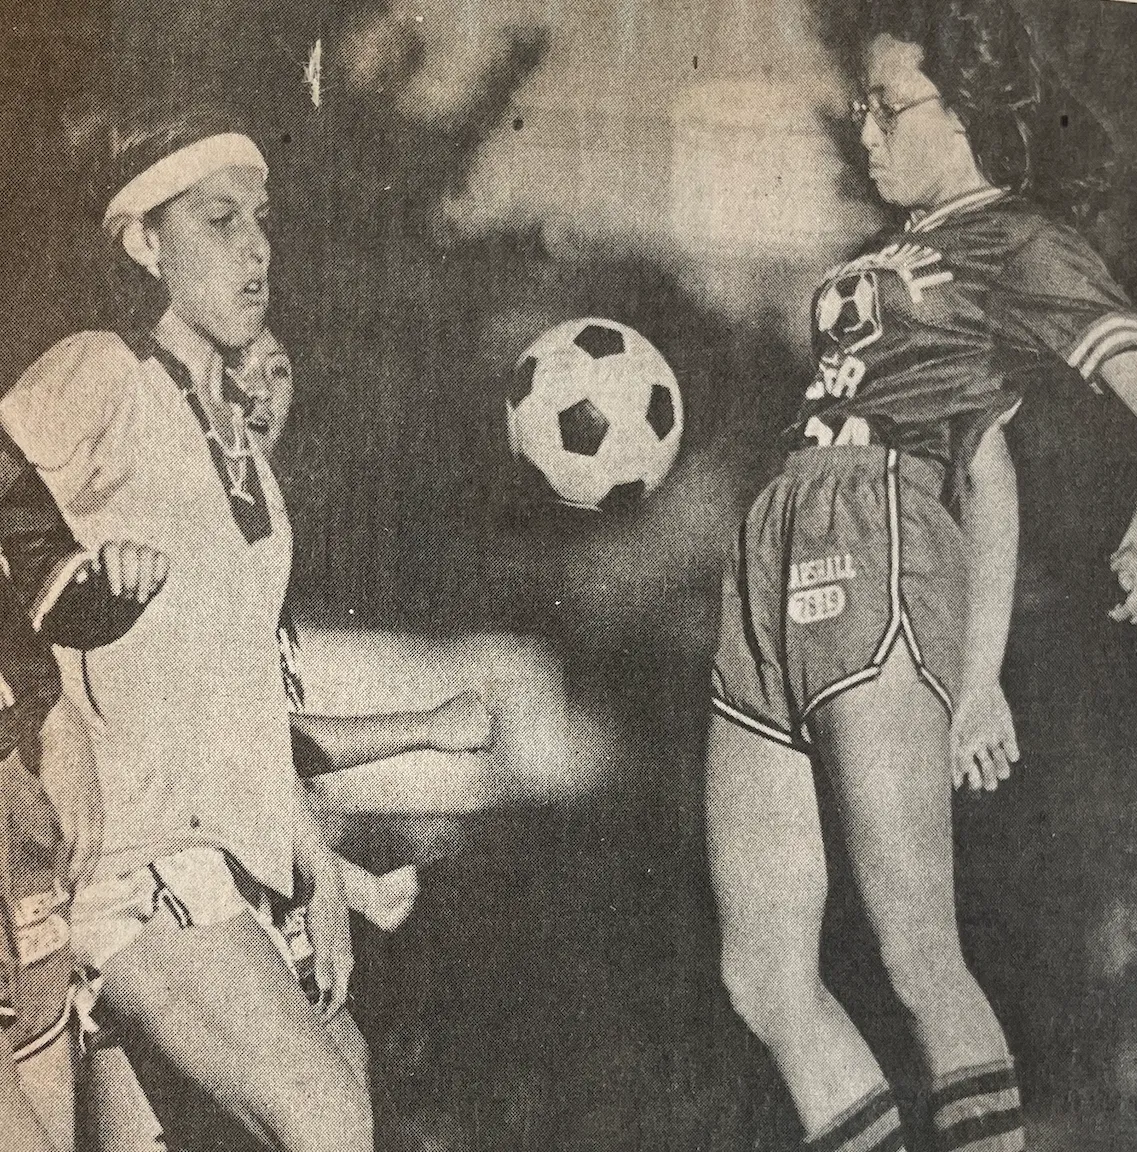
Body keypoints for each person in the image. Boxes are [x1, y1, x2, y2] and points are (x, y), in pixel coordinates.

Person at [708, 2, 1137, 1151]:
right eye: (861, 107)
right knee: (762, 976)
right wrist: (983, 671)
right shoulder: (893, 252)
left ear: (972, 112)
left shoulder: (1018, 239)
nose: (865, 130)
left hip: (878, 542)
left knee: (914, 947)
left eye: (888, 107)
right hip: (779, 550)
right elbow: (987, 464)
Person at [0, 104, 374, 1152]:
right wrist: (66, 579)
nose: (256, 247)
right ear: (144, 243)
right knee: (331, 1120)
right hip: (139, 863)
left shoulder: (245, 449)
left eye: (262, 218)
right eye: (219, 222)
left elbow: (243, 690)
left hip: (236, 868)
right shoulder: (105, 371)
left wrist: (317, 868)